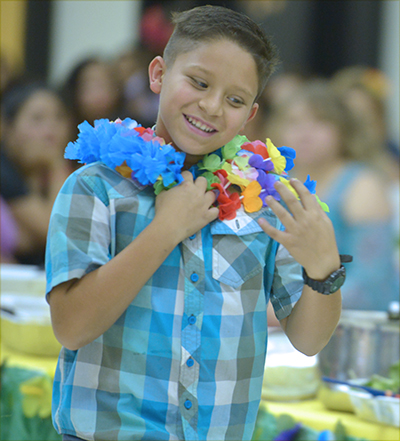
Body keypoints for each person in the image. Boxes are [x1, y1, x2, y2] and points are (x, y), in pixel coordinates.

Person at [45, 6, 344, 441]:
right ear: (159, 74)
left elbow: (309, 339)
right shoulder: (97, 188)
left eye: (235, 99)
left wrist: (324, 271)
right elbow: (71, 327)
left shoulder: (261, 202)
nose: (211, 106)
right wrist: (166, 230)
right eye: (199, 82)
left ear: (251, 113)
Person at [267, 79, 398, 311]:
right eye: (294, 122)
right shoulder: (274, 183)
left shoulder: (362, 185)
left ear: (343, 130)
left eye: (320, 122)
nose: (304, 133)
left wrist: (288, 311)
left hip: (351, 328)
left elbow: (371, 285)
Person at [1, 80, 74, 266]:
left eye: (59, 117)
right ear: (8, 128)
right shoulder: (4, 170)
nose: (50, 131)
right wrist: (57, 164)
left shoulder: (68, 170)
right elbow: (56, 232)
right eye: (37, 119)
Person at [61, 57, 127, 140]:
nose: (98, 94)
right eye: (90, 86)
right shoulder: (64, 132)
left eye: (103, 84)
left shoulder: (131, 130)